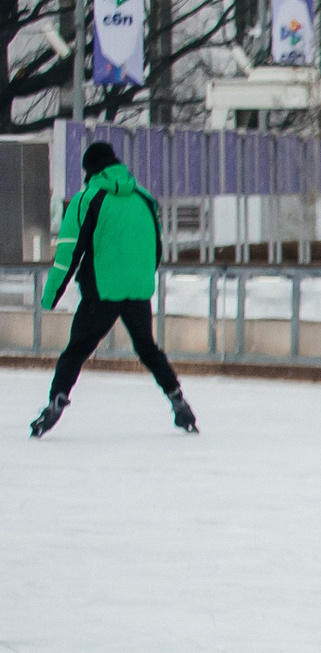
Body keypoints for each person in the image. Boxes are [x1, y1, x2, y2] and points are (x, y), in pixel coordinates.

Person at [29, 142, 195, 439]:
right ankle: (177, 399)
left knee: (76, 350)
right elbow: (154, 247)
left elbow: (67, 254)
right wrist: (139, 278)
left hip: (101, 293)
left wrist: (50, 296)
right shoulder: (144, 198)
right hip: (136, 291)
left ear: (90, 169)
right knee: (148, 349)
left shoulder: (87, 199)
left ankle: (56, 401)